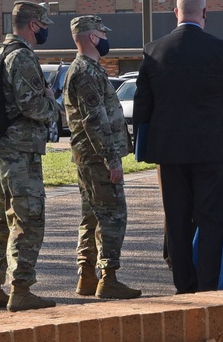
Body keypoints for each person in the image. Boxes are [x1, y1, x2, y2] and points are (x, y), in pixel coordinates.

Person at [133, 0, 223, 293]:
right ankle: (208, 287)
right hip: (210, 150)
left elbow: (142, 105)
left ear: (175, 13)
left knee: (178, 220)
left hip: (169, 152)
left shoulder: (154, 50)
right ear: (205, 13)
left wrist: (143, 147)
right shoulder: (220, 49)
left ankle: (184, 287)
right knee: (211, 222)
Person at [0, 1, 61, 312]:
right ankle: (21, 288)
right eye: (44, 24)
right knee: (28, 218)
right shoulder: (22, 56)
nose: (46, 30)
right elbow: (32, 106)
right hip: (19, 150)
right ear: (33, 25)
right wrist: (52, 103)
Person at [63, 15, 141, 300]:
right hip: (97, 158)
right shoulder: (85, 72)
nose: (106, 38)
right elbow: (95, 120)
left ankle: (86, 275)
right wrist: (113, 159)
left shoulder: (87, 69)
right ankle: (108, 277)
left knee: (92, 216)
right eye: (101, 33)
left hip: (89, 156)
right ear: (92, 38)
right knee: (113, 215)